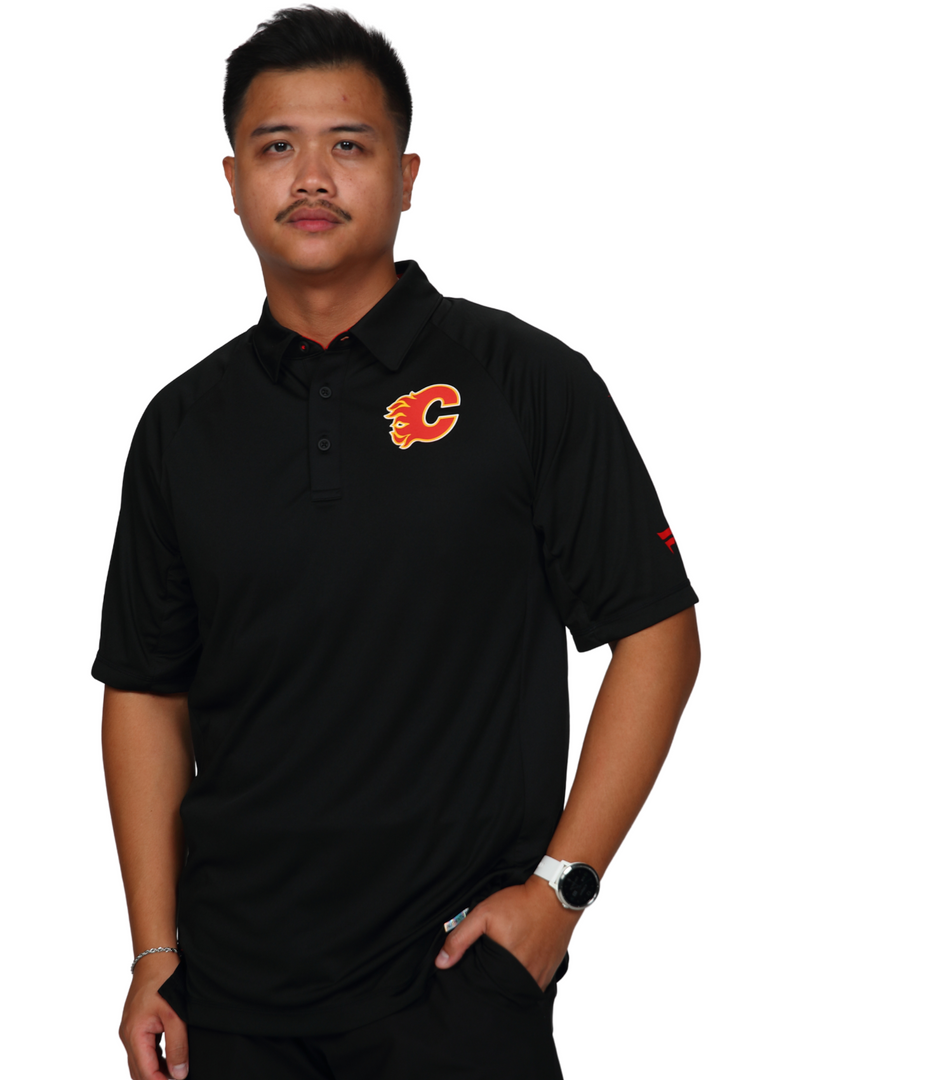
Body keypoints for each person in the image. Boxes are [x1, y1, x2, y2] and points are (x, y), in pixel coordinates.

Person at [94, 7, 701, 1079]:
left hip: (455, 988)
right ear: (232, 180)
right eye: (276, 147)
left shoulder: (526, 382)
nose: (311, 178)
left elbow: (658, 634)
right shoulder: (182, 426)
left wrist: (559, 892)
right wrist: (154, 955)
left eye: (349, 145)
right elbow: (146, 690)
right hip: (230, 1002)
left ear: (407, 176)